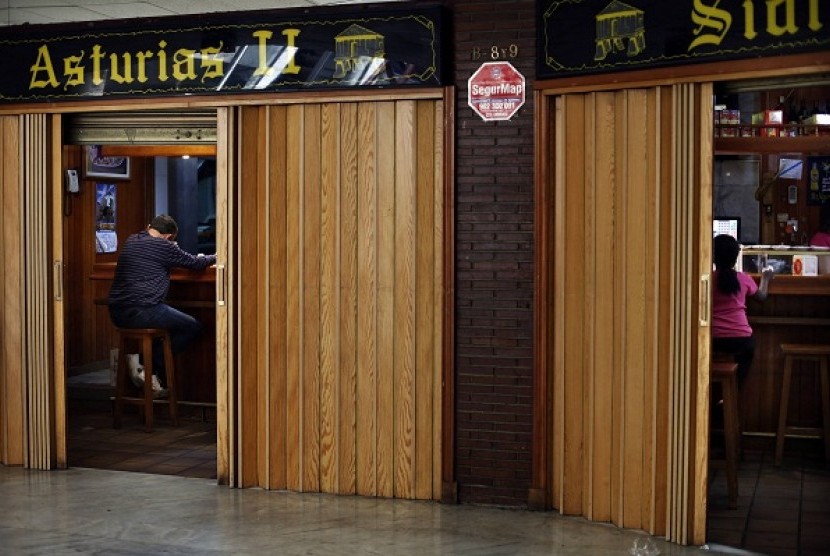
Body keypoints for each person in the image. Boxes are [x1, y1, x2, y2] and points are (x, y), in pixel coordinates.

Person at [108, 214, 216, 396]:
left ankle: (143, 367)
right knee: (193, 327)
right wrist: (218, 256)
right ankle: (145, 364)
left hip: (117, 312)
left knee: (169, 329)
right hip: (143, 310)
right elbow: (195, 264)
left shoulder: (132, 239)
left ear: (149, 226)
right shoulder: (164, 246)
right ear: (168, 236)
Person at [711, 234, 773, 385]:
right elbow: (762, 296)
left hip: (713, 339)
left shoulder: (708, 279)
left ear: (713, 256)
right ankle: (733, 391)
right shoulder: (743, 278)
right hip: (741, 340)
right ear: (736, 257)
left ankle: (713, 396)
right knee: (745, 358)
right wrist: (765, 278)